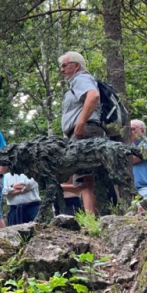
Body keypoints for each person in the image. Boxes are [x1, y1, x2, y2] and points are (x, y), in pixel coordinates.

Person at [58, 51, 105, 215]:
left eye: (65, 65)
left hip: (85, 132)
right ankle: (93, 219)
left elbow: (93, 96)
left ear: (76, 66)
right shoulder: (75, 83)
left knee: (86, 179)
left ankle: (92, 221)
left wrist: (81, 122)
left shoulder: (81, 78)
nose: (62, 70)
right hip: (81, 133)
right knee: (85, 179)